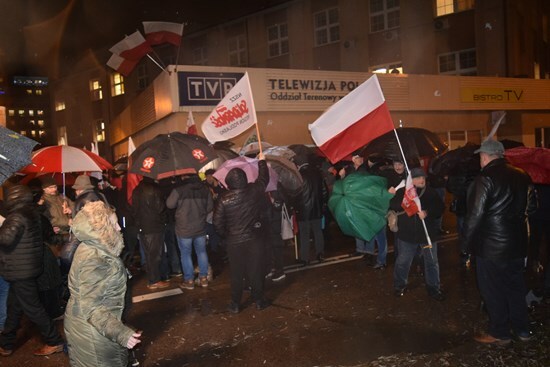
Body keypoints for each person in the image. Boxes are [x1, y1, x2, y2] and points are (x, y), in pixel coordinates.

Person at [463, 139, 536, 345]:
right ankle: (522, 330)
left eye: (480, 157)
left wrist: (465, 246)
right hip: (517, 244)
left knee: (493, 290)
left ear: (485, 157)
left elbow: (474, 216)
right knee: (515, 288)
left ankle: (500, 332)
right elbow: (532, 208)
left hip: (491, 247)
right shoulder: (522, 175)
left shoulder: (484, 178)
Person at [64, 201, 141, 366]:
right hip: (94, 333)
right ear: (101, 229)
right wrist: (121, 334)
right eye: (114, 224)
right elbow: (91, 308)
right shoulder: (97, 258)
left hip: (88, 325)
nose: (119, 228)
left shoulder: (92, 246)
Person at [0, 185, 65, 357]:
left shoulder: (16, 217)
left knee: (34, 308)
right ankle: (6, 343)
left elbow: (5, 240)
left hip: (20, 270)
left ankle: (54, 341)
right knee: (14, 307)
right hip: (26, 267)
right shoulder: (31, 213)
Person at [213, 154, 270, 313]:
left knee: (237, 273)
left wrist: (227, 235)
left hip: (234, 242)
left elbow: (217, 223)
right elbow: (263, 179)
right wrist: (262, 162)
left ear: (229, 182)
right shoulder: (254, 191)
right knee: (256, 270)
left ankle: (235, 304)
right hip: (254, 239)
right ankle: (259, 300)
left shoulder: (223, 199)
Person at [390, 167, 446, 301]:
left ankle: (434, 288)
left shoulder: (430, 193)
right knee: (403, 261)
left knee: (431, 262)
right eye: (418, 178)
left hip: (427, 235)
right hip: (407, 235)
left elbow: (440, 209)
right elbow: (393, 206)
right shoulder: (403, 192)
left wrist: (427, 213)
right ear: (411, 180)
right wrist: (391, 195)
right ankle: (399, 285)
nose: (422, 180)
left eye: (423, 178)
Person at [166, 174, 213, 290]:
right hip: (200, 227)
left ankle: (189, 280)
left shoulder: (179, 190)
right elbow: (209, 208)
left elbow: (169, 204)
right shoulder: (205, 190)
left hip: (184, 228)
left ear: (185, 177)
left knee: (186, 254)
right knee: (202, 252)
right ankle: (203, 278)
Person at [132, 177, 170, 290]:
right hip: (155, 226)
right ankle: (154, 280)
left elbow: (134, 210)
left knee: (149, 254)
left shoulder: (136, 190)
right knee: (155, 254)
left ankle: (155, 278)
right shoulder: (155, 189)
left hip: (143, 227)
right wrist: (163, 221)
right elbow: (161, 209)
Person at [294, 156, 328, 265]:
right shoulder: (317, 174)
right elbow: (324, 191)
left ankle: (305, 258)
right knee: (318, 232)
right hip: (316, 209)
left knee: (304, 235)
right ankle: (320, 254)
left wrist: (294, 206)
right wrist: (322, 204)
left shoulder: (298, 176)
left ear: (298, 165)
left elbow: (295, 194)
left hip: (303, 211)